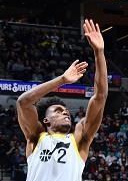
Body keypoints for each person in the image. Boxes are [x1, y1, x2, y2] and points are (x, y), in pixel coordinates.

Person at [16, 19, 108, 181]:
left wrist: (99, 53)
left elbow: (100, 97)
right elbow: (23, 103)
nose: (65, 113)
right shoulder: (36, 137)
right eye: (58, 111)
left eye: (65, 111)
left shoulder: (80, 139)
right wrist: (62, 80)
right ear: (46, 120)